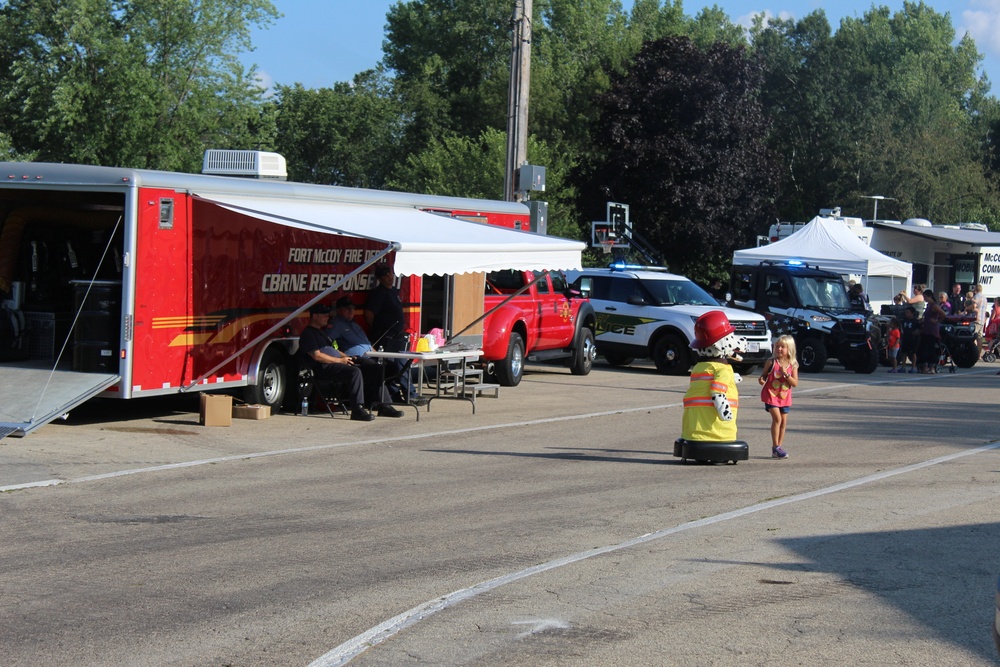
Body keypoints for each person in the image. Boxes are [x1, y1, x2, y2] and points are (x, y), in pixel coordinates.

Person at [328, 296, 421, 407]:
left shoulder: (355, 325)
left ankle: (393, 394)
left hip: (370, 356)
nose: (350, 311)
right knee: (377, 370)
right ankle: (383, 404)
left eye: (352, 308)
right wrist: (343, 356)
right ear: (338, 310)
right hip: (356, 359)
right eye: (347, 308)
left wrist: (379, 355)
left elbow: (367, 345)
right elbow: (327, 344)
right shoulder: (336, 325)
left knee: (393, 366)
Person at [298, 304, 375, 421]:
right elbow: (317, 356)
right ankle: (357, 409)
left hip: (335, 362)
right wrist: (340, 361)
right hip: (324, 367)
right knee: (355, 372)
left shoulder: (321, 332)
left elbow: (333, 350)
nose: (327, 317)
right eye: (324, 315)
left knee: (370, 365)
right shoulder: (308, 334)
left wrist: (347, 357)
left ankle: (381, 403)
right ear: (314, 316)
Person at [758, 335, 799, 459]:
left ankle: (778, 448)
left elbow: (795, 383)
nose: (779, 349)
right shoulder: (771, 362)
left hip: (784, 397)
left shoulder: (793, 364)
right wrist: (761, 379)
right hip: (771, 395)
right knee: (777, 419)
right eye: (777, 346)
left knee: (783, 422)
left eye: (782, 347)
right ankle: (775, 446)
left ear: (789, 349)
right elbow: (763, 375)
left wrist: (786, 374)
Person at [365, 264, 407, 352]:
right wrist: (378, 329)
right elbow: (369, 313)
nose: (389, 276)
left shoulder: (394, 290)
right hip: (385, 336)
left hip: (397, 334)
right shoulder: (379, 293)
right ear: (380, 279)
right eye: (385, 275)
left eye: (390, 273)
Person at [916, 290, 947, 373]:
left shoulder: (934, 305)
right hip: (926, 329)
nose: (925, 298)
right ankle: (925, 366)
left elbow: (943, 314)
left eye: (925, 297)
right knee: (923, 348)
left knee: (931, 348)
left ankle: (932, 367)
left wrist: (937, 321)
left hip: (932, 330)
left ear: (930, 296)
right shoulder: (928, 305)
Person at [899, 306, 920, 373]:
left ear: (912, 313)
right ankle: (903, 367)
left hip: (912, 339)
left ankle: (913, 367)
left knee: (913, 353)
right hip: (905, 338)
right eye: (906, 312)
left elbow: (919, 329)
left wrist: (916, 333)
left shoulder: (915, 321)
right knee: (904, 353)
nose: (906, 314)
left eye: (908, 312)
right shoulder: (903, 320)